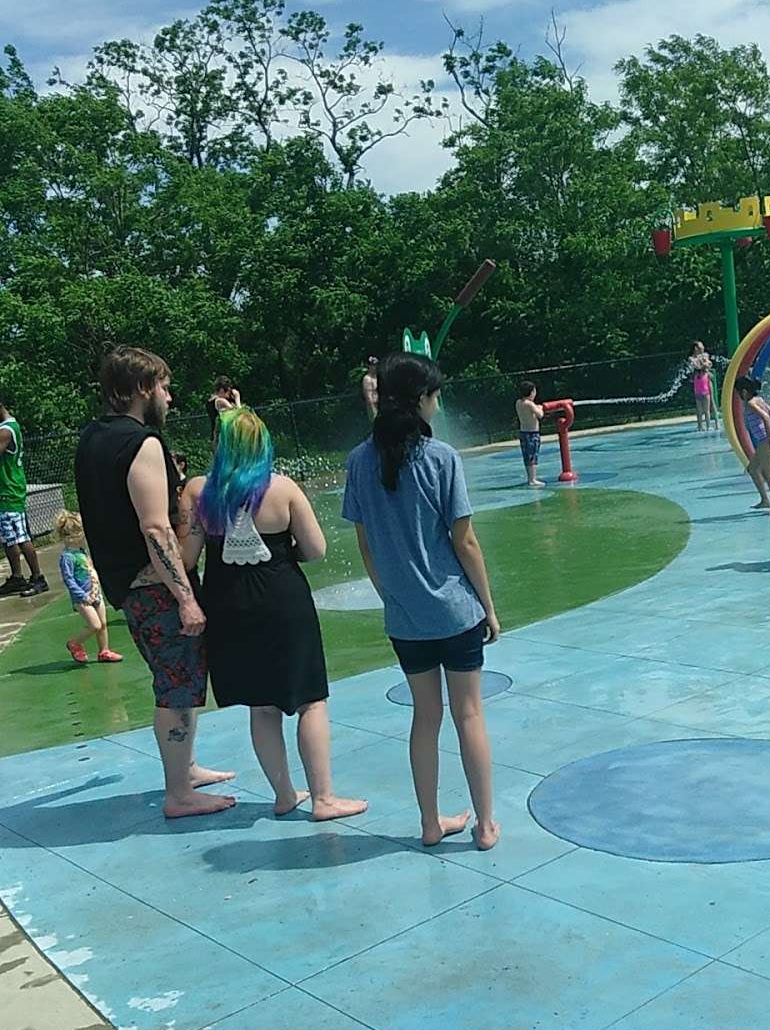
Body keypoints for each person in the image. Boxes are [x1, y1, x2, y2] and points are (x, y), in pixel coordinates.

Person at [342, 353, 501, 852]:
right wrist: (489, 608)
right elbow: (465, 541)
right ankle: (484, 825)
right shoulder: (441, 458)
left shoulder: (358, 460)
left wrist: (391, 594)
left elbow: (366, 545)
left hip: (405, 617)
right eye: (435, 395)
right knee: (469, 714)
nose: (438, 403)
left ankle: (430, 823)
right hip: (455, 610)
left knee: (424, 717)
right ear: (420, 401)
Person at [179, 407, 367, 821]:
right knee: (310, 702)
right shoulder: (283, 489)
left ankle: (283, 794)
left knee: (260, 706)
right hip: (283, 600)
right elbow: (317, 550)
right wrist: (284, 553)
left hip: (228, 605)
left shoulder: (199, 492)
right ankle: (324, 798)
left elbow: (187, 557)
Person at [75, 344, 235, 818]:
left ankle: (185, 770)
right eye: (164, 386)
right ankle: (178, 794)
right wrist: (185, 596)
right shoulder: (142, 444)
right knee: (176, 684)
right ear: (143, 388)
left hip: (129, 584)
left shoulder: (91, 439)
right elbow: (155, 528)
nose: (169, 396)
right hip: (155, 586)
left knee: (177, 682)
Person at [55, 510, 123, 665]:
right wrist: (83, 595)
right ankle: (75, 643)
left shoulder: (81, 552)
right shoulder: (67, 557)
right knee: (95, 625)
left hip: (95, 593)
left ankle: (104, 651)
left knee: (103, 624)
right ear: (71, 537)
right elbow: (69, 580)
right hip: (82, 598)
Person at [0, 398, 48, 597]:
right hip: (5, 490)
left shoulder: (6, 430)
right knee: (9, 538)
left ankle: (38, 577)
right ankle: (17, 577)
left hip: (9, 490)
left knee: (20, 537)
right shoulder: (7, 426)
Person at [735, 375, 770, 513]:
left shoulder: (751, 403)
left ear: (744, 392)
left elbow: (766, 418)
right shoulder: (759, 400)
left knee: (767, 473)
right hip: (766, 440)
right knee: (752, 469)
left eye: (738, 394)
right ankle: (765, 500)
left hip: (764, 441)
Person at [515, 383, 545, 487]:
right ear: (531, 392)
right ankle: (533, 479)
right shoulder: (530, 404)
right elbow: (540, 415)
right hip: (532, 434)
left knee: (527, 456)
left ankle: (530, 478)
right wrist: (540, 408)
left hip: (523, 433)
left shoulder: (519, 403)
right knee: (533, 456)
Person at [689, 341, 718, 432]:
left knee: (711, 402)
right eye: (701, 345)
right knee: (699, 408)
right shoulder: (691, 358)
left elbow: (709, 364)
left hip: (706, 381)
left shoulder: (705, 355)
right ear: (696, 348)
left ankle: (716, 423)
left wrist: (706, 366)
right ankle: (700, 426)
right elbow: (696, 366)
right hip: (698, 383)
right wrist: (704, 365)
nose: (703, 347)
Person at [361, 358, 379, 423]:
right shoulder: (367, 379)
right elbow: (369, 397)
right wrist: (373, 411)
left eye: (376, 365)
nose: (375, 367)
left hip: (380, 405)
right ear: (369, 366)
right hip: (373, 406)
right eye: (373, 365)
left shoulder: (377, 377)